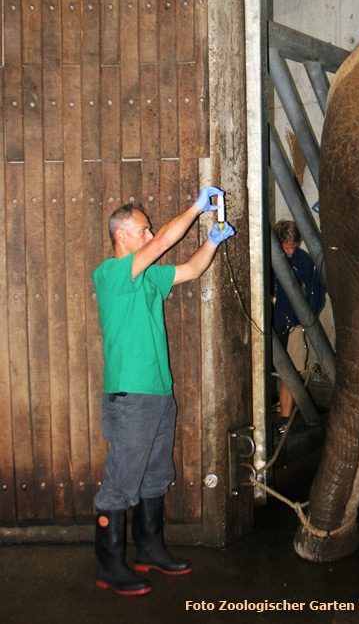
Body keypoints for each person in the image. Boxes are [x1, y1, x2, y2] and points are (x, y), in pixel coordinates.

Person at [92, 187, 234, 596]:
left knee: (155, 476)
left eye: (150, 228)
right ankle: (109, 566)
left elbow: (190, 270)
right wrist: (195, 207)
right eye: (143, 229)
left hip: (157, 393)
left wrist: (212, 240)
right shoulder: (112, 273)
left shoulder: (148, 276)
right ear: (122, 235)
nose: (150, 232)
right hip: (130, 395)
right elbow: (167, 241)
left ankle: (149, 550)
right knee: (121, 482)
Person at [272, 220, 325, 433]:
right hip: (267, 324)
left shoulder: (303, 261)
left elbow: (317, 292)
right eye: (286, 247)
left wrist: (307, 319)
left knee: (292, 371)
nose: (291, 251)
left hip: (293, 324)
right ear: (277, 244)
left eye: (294, 246)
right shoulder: (266, 258)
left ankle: (284, 419)